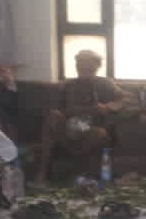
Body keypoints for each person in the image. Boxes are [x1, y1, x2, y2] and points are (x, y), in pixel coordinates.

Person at [36, 50, 131, 185]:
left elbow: (127, 99)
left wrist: (108, 106)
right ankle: (42, 174)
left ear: (96, 66)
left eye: (86, 63)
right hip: (70, 128)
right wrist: (81, 111)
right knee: (53, 116)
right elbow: (59, 111)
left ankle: (79, 175)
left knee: (100, 133)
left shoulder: (105, 84)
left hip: (92, 130)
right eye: (79, 63)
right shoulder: (69, 85)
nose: (82, 67)